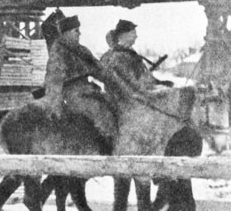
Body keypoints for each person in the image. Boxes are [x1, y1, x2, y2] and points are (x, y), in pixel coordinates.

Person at [40, 15, 120, 145]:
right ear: (66, 33)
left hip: (87, 91)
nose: (79, 33)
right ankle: (106, 144)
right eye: (76, 31)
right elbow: (54, 81)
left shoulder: (82, 50)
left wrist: (118, 81)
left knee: (113, 103)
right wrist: (54, 106)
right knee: (98, 112)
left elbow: (100, 70)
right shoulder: (59, 52)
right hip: (72, 95)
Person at [100, 20, 172, 91]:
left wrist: (160, 83)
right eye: (133, 34)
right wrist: (154, 86)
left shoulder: (129, 53)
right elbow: (129, 83)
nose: (136, 36)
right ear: (123, 36)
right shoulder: (116, 56)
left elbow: (142, 76)